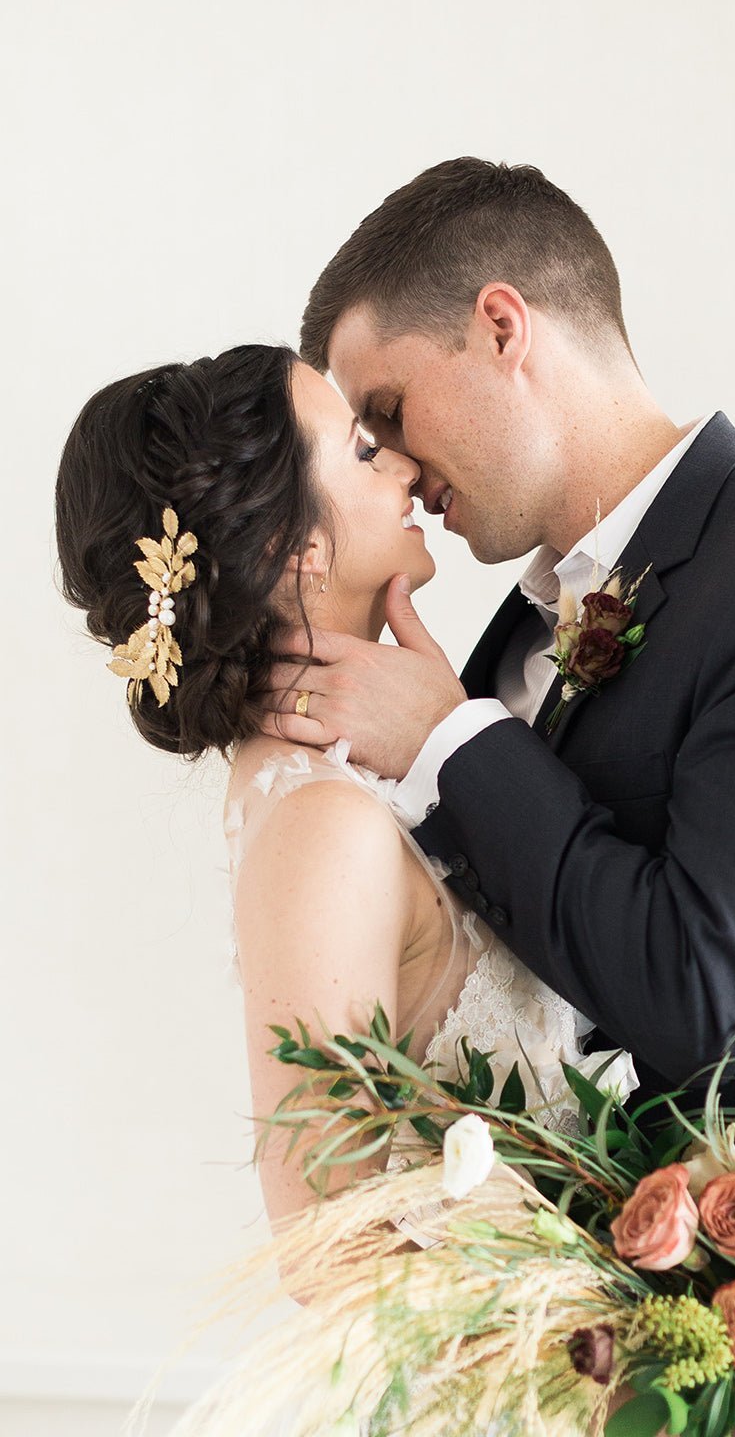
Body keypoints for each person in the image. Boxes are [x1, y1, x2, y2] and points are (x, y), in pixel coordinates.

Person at [264, 155, 735, 1114]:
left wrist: (451, 743)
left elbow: (710, 999)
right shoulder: (517, 630)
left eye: (387, 412)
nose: (392, 465)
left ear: (502, 328)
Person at [54, 343, 635, 1244]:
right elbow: (328, 1247)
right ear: (301, 550)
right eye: (364, 451)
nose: (405, 461)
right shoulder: (325, 821)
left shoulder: (356, 780)